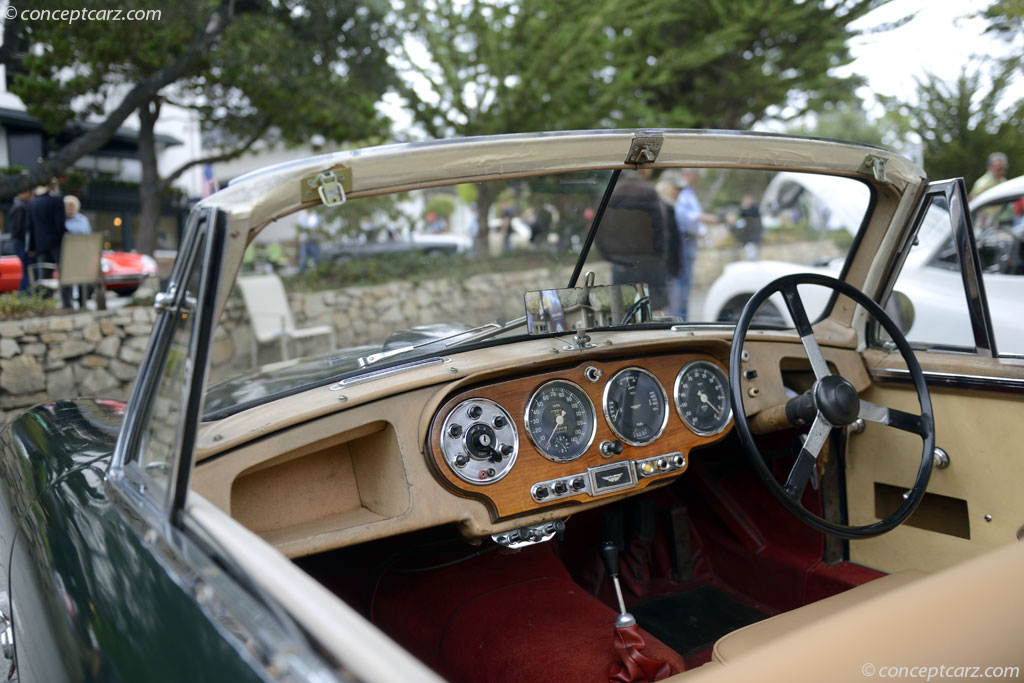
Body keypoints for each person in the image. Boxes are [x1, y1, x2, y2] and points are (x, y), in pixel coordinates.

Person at [594, 169, 671, 311]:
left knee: (625, 313)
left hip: (620, 265)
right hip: (649, 264)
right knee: (655, 314)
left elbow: (597, 232)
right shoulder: (649, 192)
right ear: (642, 172)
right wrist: (660, 257)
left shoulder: (608, 193)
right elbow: (661, 230)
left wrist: (610, 257)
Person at [670, 169, 719, 320]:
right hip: (684, 237)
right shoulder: (682, 190)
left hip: (689, 236)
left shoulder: (689, 191)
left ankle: (682, 315)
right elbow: (681, 213)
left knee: (686, 278)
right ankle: (679, 315)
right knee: (682, 278)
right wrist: (703, 217)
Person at [27, 179, 72, 307]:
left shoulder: (32, 203)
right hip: (57, 243)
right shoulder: (57, 200)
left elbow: (29, 227)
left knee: (44, 277)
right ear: (53, 186)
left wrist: (32, 247)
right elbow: (60, 224)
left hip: (41, 245)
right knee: (64, 274)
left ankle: (44, 304)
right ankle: (67, 303)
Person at [63, 195, 93, 307]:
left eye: (72, 208)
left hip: (82, 253)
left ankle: (83, 302)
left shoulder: (83, 220)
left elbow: (88, 235)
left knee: (83, 278)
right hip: (67, 254)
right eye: (68, 208)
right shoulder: (60, 220)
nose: (70, 210)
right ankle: (68, 304)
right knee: (67, 279)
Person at [7, 189, 33, 292]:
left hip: (20, 242)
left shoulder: (20, 205)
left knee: (25, 269)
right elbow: (18, 229)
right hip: (21, 242)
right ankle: (24, 294)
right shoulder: (20, 207)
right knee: (25, 269)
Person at [736, 194, 763, 260]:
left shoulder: (754, 208)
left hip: (754, 236)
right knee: (750, 253)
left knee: (753, 253)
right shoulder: (747, 210)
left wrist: (744, 207)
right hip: (748, 236)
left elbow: (746, 213)